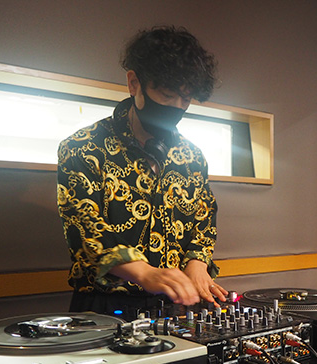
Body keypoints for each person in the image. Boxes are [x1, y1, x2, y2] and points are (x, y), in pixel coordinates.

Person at [57, 26, 228, 320]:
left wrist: (197, 264)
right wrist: (144, 273)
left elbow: (204, 220)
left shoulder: (192, 157)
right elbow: (87, 228)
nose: (176, 107)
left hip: (177, 310)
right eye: (167, 95)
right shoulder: (82, 147)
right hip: (105, 309)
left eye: (185, 100)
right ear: (134, 83)